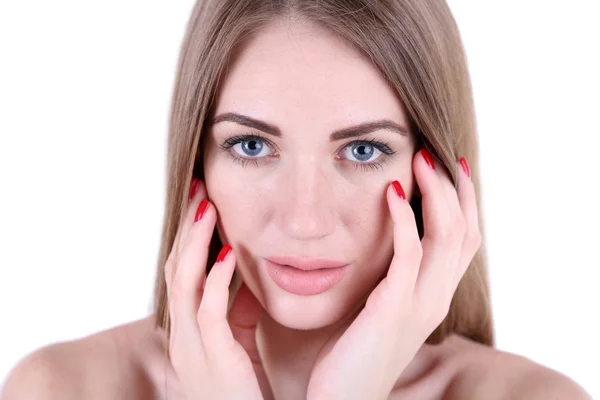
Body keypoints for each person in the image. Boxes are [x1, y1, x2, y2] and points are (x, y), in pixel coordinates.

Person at [1, 1, 592, 399]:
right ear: (197, 159)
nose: (304, 219)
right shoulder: (64, 388)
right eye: (252, 145)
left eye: (362, 151)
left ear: (432, 177)